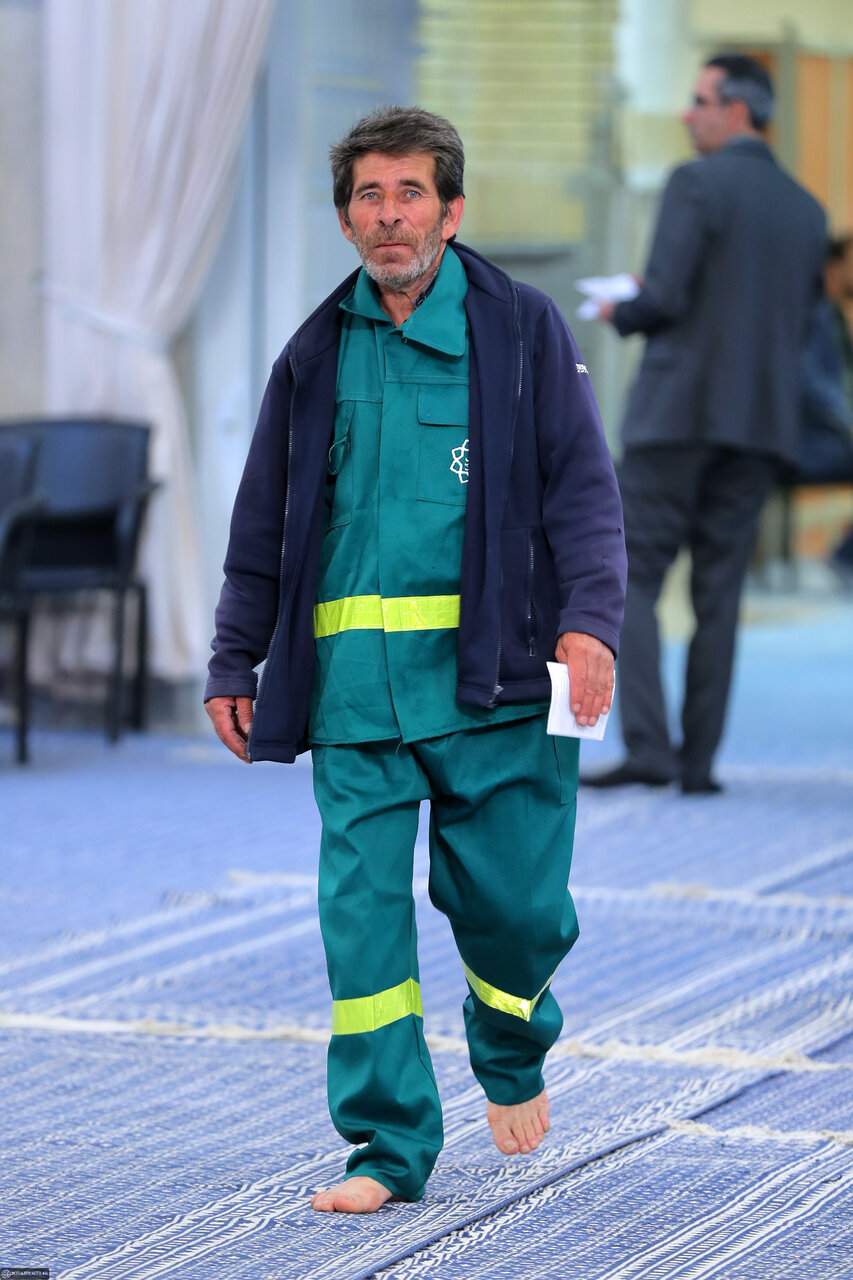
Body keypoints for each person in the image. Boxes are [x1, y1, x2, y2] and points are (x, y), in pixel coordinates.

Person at [204, 107, 626, 1213]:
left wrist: (591, 621)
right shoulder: (313, 353)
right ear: (345, 217)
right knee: (361, 921)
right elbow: (263, 522)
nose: (389, 215)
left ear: (451, 210)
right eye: (368, 196)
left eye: (409, 193)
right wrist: (234, 657)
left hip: (494, 685)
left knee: (516, 911)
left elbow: (583, 488)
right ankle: (386, 1146)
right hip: (355, 697)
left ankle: (512, 1039)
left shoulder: (521, 331)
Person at [585, 53, 826, 795]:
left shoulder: (694, 183)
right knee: (719, 596)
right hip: (757, 427)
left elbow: (662, 298)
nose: (687, 114)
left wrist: (618, 309)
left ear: (737, 110)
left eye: (699, 100)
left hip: (676, 418)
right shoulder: (806, 210)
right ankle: (698, 765)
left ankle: (649, 748)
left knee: (630, 579)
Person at [796, 234, 853, 583]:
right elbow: (808, 379)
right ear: (834, 265)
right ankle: (845, 564)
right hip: (806, 442)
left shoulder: (834, 317)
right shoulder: (810, 312)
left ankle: (845, 561)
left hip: (833, 438)